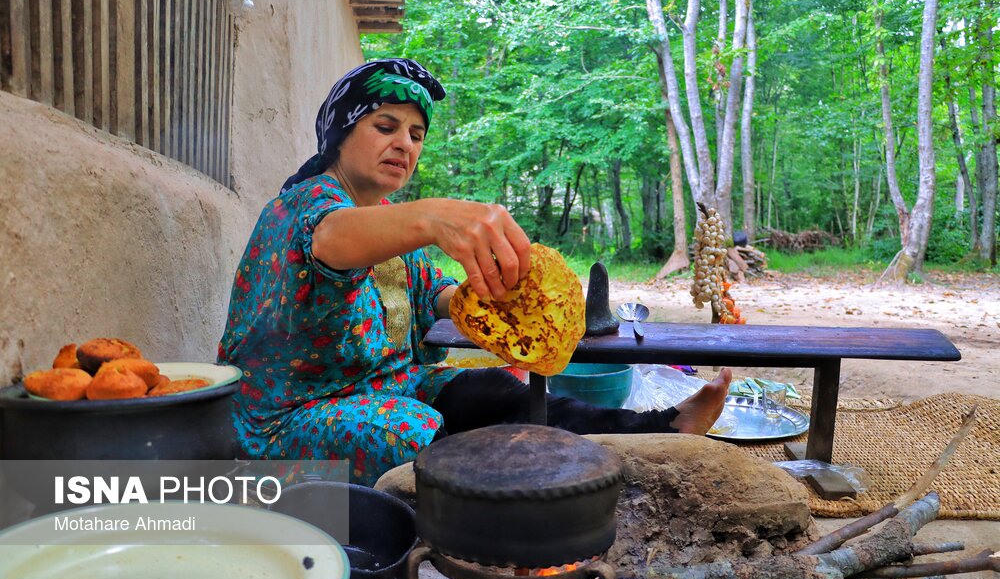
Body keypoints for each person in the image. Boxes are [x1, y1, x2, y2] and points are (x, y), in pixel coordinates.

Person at [218, 58, 732, 486]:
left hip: (389, 386)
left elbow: (435, 295)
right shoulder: (302, 209)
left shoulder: (388, 217)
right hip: (287, 418)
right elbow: (329, 241)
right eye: (385, 126)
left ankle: (656, 428)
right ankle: (491, 517)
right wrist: (435, 217)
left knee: (497, 390)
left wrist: (495, 299)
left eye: (417, 134)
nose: (405, 144)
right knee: (408, 429)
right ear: (339, 133)